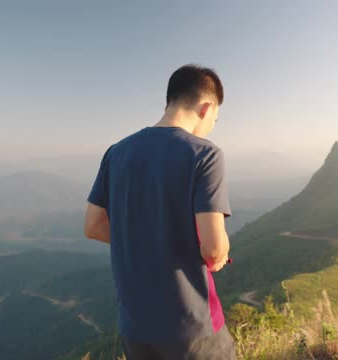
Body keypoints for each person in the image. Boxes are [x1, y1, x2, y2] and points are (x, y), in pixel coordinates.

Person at [83, 64, 235, 359]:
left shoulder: (116, 153)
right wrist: (219, 254)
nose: (212, 126)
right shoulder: (205, 154)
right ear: (206, 108)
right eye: (215, 118)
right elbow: (214, 248)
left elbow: (93, 226)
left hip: (136, 328)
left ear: (169, 102)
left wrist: (147, 243)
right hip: (192, 327)